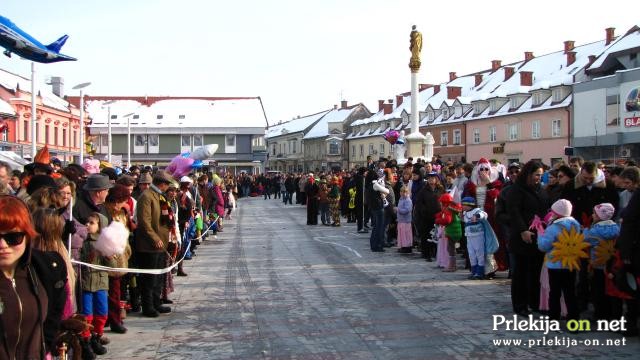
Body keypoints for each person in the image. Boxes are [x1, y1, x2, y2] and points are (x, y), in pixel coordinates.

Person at [0, 196, 69, 359]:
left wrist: (45, 348)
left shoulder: (45, 268)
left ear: (27, 235)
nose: (3, 245)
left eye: (13, 237)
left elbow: (55, 312)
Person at [506, 160, 549, 316]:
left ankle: (535, 302)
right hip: (522, 237)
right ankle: (520, 305)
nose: (539, 177)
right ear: (529, 174)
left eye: (541, 175)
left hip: (539, 236)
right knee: (521, 273)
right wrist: (523, 230)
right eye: (537, 174)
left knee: (536, 271)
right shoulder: (516, 190)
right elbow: (514, 212)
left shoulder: (541, 190)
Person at [135, 171, 174, 317]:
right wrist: (154, 238)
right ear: (162, 184)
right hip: (149, 244)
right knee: (149, 278)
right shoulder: (146, 196)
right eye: (167, 185)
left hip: (160, 243)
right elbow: (144, 222)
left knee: (158, 276)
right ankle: (148, 305)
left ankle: (156, 302)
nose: (167, 188)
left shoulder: (159, 196)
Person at [537, 199, 584, 322]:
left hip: (555, 264)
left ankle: (554, 318)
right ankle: (574, 319)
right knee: (570, 292)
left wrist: (540, 234)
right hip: (571, 263)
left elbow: (543, 246)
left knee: (555, 293)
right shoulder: (576, 225)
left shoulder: (554, 228)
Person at [80, 212, 112, 357]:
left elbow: (112, 265)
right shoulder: (81, 241)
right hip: (86, 282)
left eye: (92, 223)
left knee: (102, 313)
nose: (87, 225)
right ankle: (86, 342)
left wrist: (109, 256)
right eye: (87, 222)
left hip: (100, 282)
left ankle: (96, 338)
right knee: (87, 315)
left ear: (100, 226)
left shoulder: (103, 242)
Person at [583, 203, 619, 321]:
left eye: (594, 213)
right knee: (610, 290)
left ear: (599, 216)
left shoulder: (595, 230)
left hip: (597, 263)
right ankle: (611, 313)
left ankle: (599, 314)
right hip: (611, 265)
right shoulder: (616, 227)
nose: (592, 215)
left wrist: (585, 231)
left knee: (598, 290)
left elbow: (585, 240)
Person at [462, 197, 499, 280]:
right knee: (471, 255)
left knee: (480, 254)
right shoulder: (465, 213)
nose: (462, 206)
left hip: (478, 237)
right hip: (469, 237)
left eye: (464, 204)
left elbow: (484, 215)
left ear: (469, 205)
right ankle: (474, 271)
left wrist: (477, 216)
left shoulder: (477, 211)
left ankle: (480, 273)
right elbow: (465, 221)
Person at [396, 186, 413, 253]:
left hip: (406, 221)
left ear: (407, 192)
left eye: (405, 192)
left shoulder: (408, 200)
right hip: (401, 220)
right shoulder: (401, 199)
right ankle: (402, 246)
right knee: (401, 234)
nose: (403, 193)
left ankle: (407, 247)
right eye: (401, 191)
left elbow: (407, 210)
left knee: (406, 234)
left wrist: (398, 209)